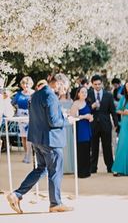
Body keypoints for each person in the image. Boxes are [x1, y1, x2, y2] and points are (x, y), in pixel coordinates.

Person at [6, 73, 73, 214]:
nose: (64, 91)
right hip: (51, 140)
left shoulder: (35, 94)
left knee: (41, 169)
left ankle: (17, 194)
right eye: (65, 87)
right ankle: (55, 203)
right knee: (55, 171)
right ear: (59, 83)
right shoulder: (51, 96)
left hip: (37, 140)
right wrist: (66, 119)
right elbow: (54, 121)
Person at [86, 74, 118, 173]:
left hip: (105, 124)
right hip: (93, 124)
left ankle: (110, 166)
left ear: (102, 84)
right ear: (92, 84)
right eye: (95, 84)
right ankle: (93, 167)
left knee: (107, 146)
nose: (98, 86)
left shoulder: (108, 95)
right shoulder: (88, 94)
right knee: (94, 146)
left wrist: (116, 124)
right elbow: (85, 109)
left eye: (99, 84)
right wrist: (92, 106)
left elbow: (113, 110)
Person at [69, 87, 94, 178]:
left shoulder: (87, 103)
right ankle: (81, 172)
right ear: (78, 93)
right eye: (82, 92)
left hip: (87, 128)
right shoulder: (75, 103)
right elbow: (72, 117)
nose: (84, 94)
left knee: (87, 150)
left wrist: (90, 117)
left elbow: (89, 115)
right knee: (81, 150)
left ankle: (87, 171)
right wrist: (84, 116)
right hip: (80, 129)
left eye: (85, 92)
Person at [11, 76, 34, 163]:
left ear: (31, 84)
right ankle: (26, 154)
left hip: (30, 116)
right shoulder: (19, 94)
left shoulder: (33, 93)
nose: (25, 85)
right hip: (20, 116)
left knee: (30, 136)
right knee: (23, 137)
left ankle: (30, 154)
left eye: (27, 83)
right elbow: (12, 103)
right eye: (23, 83)